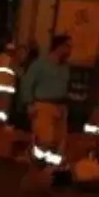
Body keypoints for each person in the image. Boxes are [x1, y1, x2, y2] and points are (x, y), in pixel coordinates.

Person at [19, 33, 73, 187]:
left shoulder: (65, 67)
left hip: (60, 106)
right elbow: (27, 84)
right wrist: (29, 104)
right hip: (43, 105)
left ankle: (49, 174)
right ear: (59, 46)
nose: (70, 50)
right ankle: (36, 168)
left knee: (59, 142)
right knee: (45, 140)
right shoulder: (40, 65)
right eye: (68, 46)